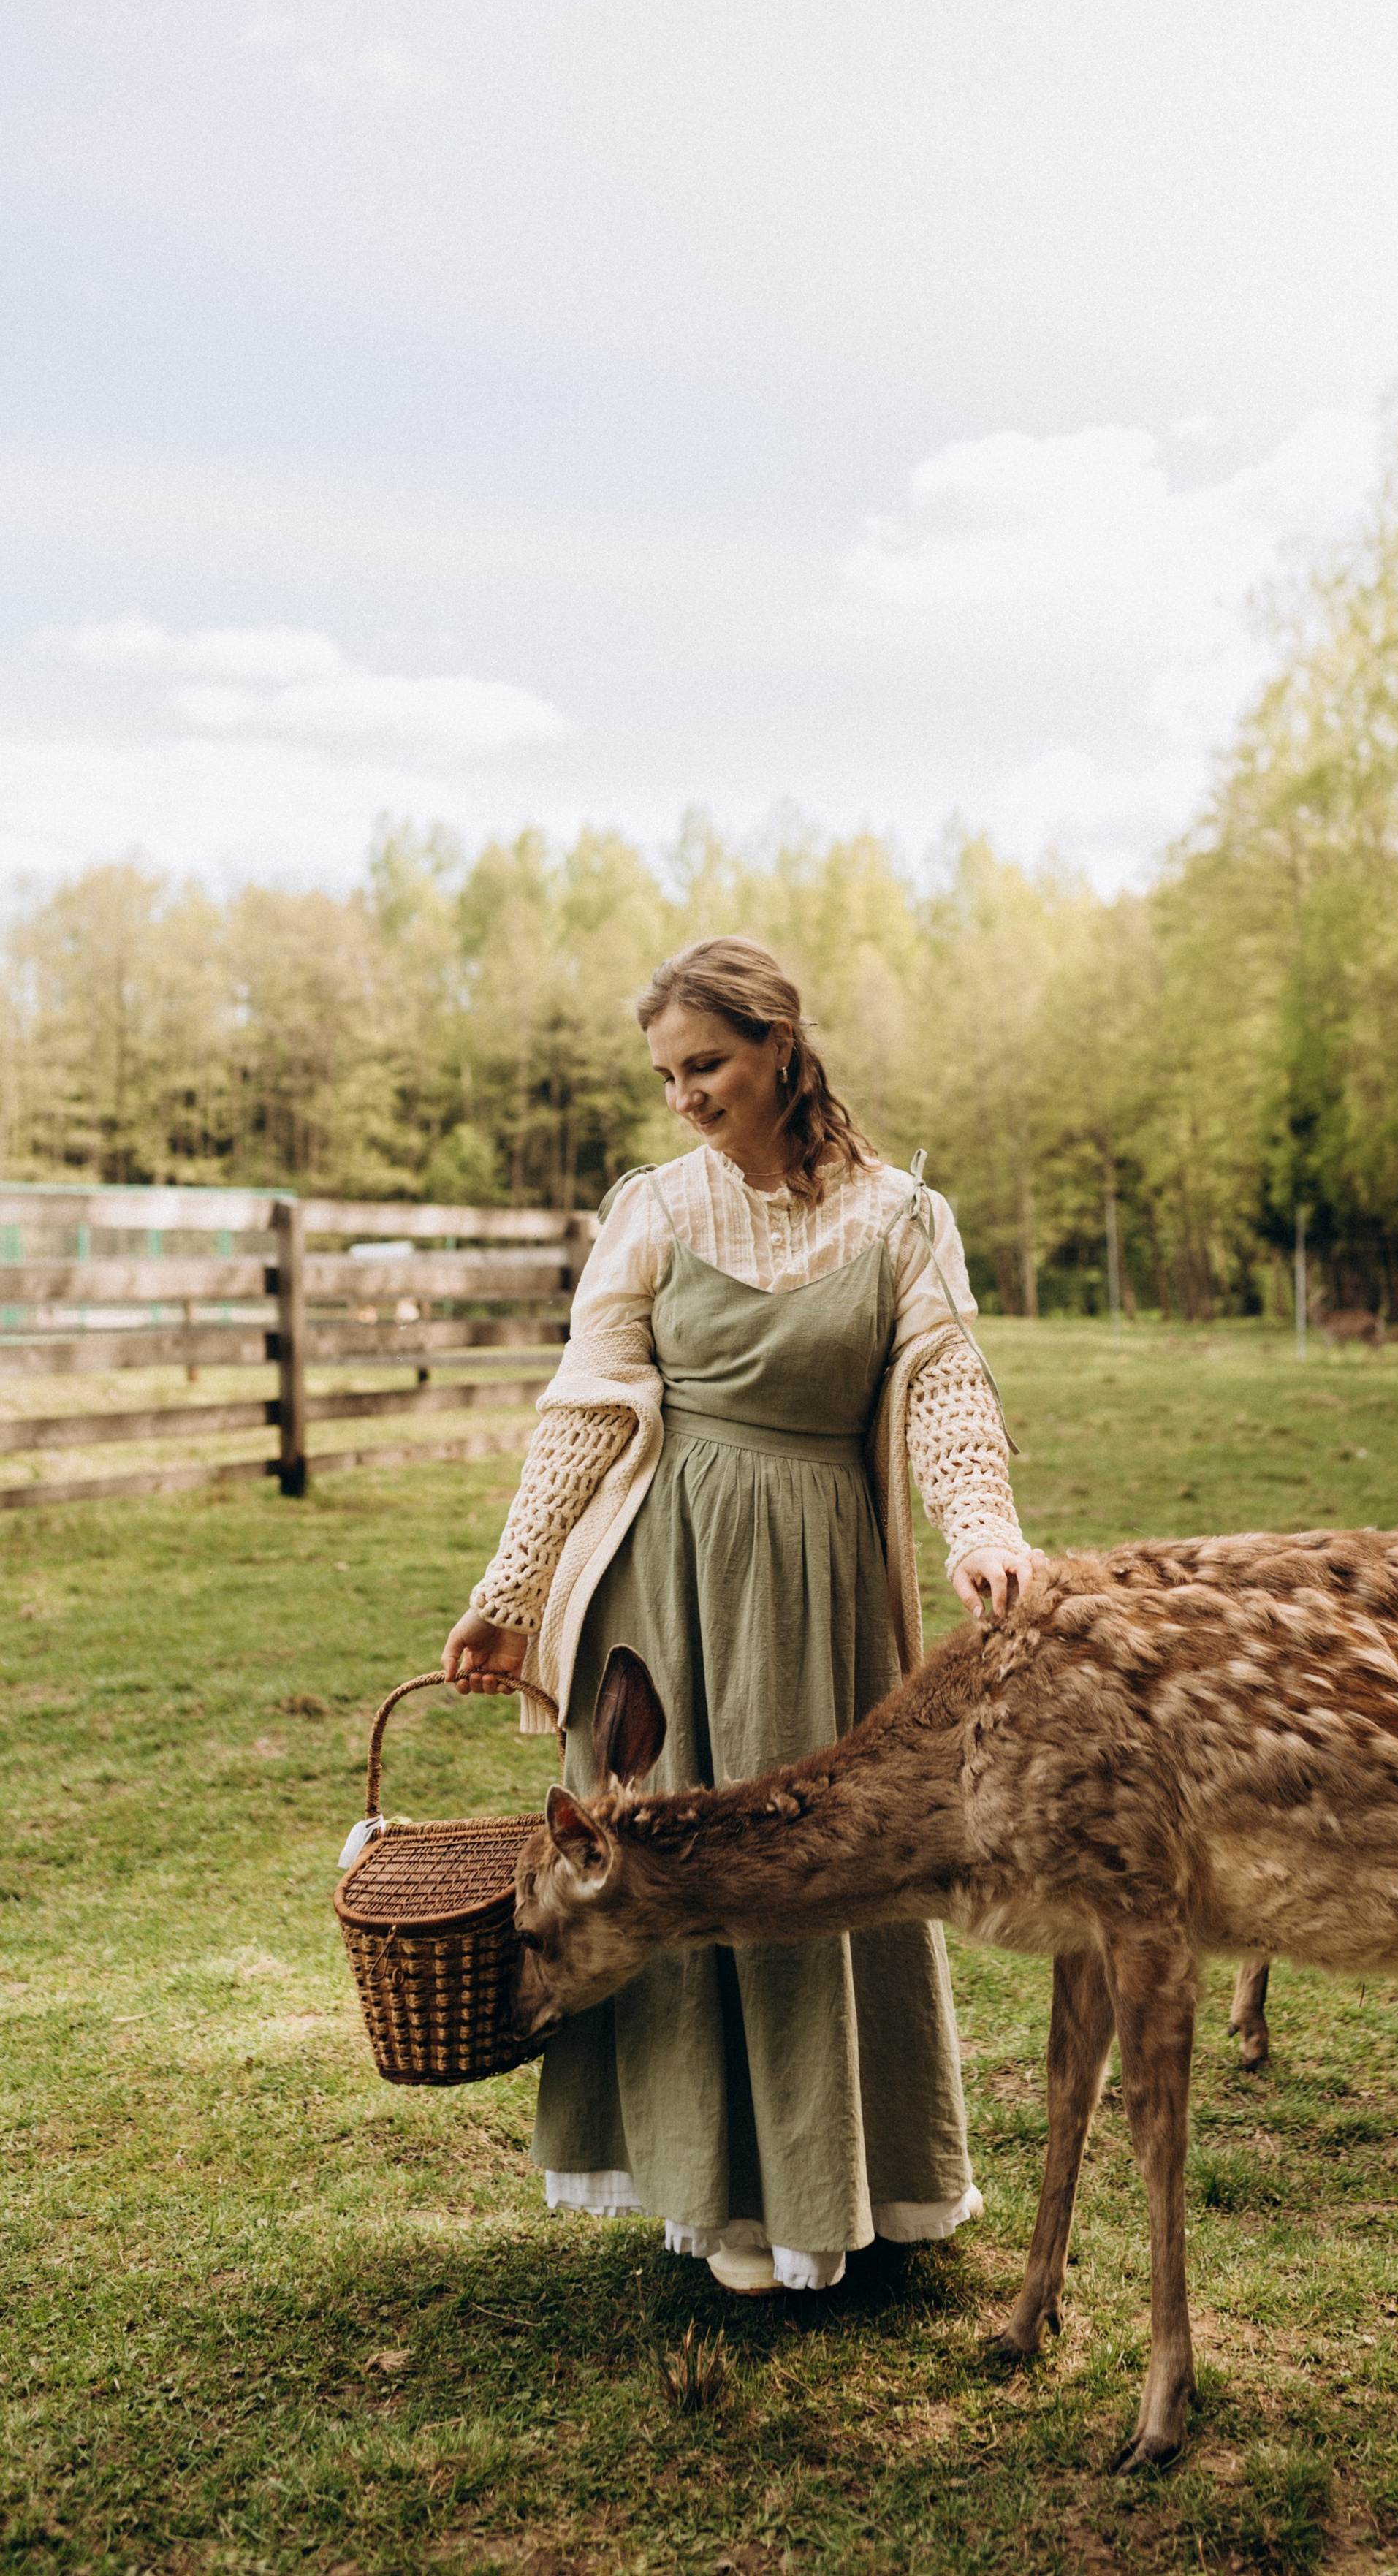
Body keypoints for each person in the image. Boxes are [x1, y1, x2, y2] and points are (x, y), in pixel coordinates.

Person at [441, 935, 1041, 2294]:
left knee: (821, 1856)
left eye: (704, 1065)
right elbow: (585, 1414)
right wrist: (510, 1590)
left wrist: (984, 1527)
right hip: (667, 1584)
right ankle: (711, 2198)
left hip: (822, 1582)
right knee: (665, 1860)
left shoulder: (900, 1218)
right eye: (666, 1075)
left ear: (779, 1044)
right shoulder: (651, 1209)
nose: (686, 1096)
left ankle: (840, 2190)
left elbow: (947, 1384)